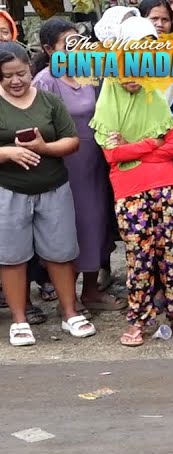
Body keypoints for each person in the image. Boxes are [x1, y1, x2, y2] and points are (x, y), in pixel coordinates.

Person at [91, 16, 173, 346]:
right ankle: (138, 320)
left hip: (167, 187)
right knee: (138, 256)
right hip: (130, 190)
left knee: (172, 252)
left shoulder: (155, 96)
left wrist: (131, 148)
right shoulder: (108, 101)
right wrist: (152, 143)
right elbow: (111, 154)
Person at [0, 40, 97, 346]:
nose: (16, 81)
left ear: (31, 69)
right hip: (8, 190)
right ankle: (19, 320)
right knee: (11, 256)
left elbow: (72, 141)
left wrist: (43, 147)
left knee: (61, 252)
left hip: (54, 187)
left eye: (21, 73)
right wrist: (8, 153)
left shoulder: (48, 101)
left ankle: (70, 313)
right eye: (7, 76)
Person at [32, 17, 121, 315]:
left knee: (96, 223)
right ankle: (67, 300)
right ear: (49, 49)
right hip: (64, 168)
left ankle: (92, 291)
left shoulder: (91, 74)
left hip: (95, 163)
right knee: (69, 230)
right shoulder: (45, 81)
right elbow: (38, 125)